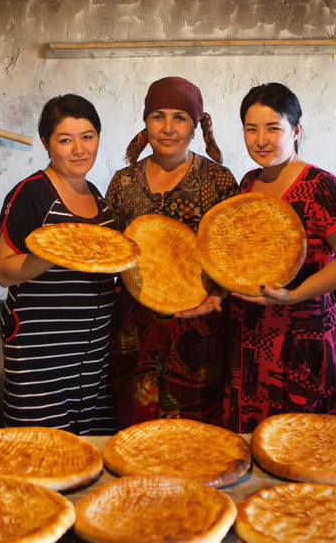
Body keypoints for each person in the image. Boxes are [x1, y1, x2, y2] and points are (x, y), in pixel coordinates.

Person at [223, 82, 336, 433]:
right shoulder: (248, 184)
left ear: (296, 130)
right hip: (249, 329)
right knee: (250, 439)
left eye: (273, 128)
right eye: (251, 129)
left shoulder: (320, 184)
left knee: (302, 442)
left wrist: (293, 295)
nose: (261, 140)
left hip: (302, 332)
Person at [105, 76, 239, 427]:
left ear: (196, 125)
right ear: (146, 122)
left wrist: (218, 295)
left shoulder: (219, 181)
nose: (167, 128)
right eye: (158, 116)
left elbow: (233, 254)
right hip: (134, 325)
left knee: (195, 431)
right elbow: (110, 247)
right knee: (137, 426)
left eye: (179, 117)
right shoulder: (124, 181)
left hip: (198, 327)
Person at [0, 94, 116, 435]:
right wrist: (53, 253)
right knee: (40, 450)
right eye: (65, 140)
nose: (79, 149)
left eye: (87, 136)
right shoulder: (31, 194)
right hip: (41, 352)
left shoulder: (97, 197)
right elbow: (3, 271)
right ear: (48, 144)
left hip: (92, 354)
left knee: (86, 450)